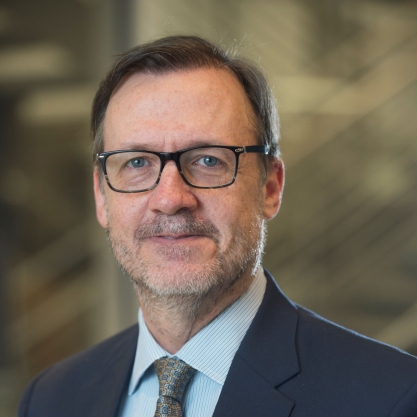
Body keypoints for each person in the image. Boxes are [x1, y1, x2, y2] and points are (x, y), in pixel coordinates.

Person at [18, 35, 417, 417]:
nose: (171, 199)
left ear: (270, 187)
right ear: (102, 196)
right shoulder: (53, 398)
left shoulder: (391, 398)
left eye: (208, 160)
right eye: (137, 162)